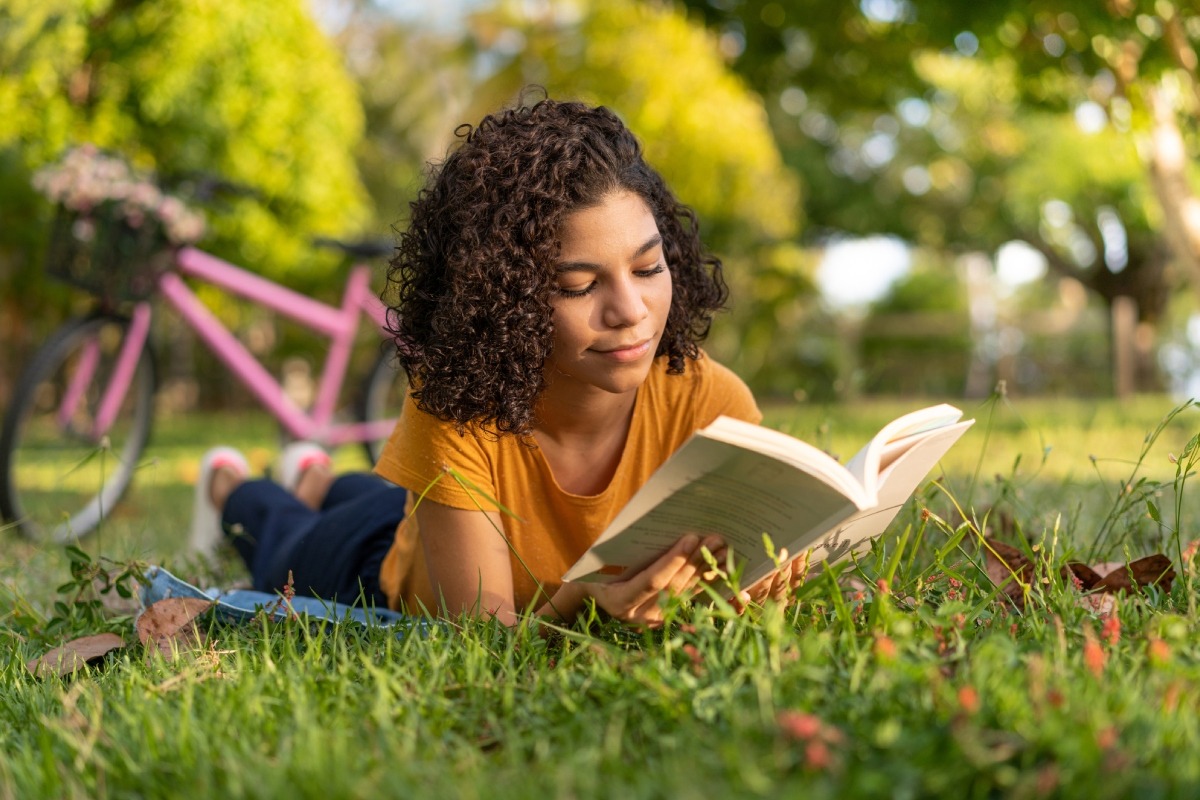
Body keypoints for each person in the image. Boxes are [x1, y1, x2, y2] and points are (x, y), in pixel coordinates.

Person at [189, 95, 806, 628]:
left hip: (435, 506)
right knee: (279, 538)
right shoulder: (456, 401)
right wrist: (584, 602)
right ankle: (226, 483)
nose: (631, 311)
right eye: (578, 285)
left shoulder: (710, 401)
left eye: (648, 269)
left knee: (365, 492)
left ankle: (317, 477)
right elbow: (484, 642)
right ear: (505, 298)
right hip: (375, 564)